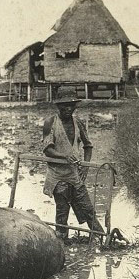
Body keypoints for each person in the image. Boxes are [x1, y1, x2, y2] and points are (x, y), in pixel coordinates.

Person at [42, 87, 105, 244]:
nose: (67, 109)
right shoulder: (50, 123)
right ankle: (62, 245)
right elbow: (48, 150)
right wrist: (64, 156)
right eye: (64, 105)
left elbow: (88, 146)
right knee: (62, 212)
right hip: (57, 176)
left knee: (88, 209)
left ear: (75, 106)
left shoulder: (78, 123)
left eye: (71, 105)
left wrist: (86, 166)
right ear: (58, 106)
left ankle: (102, 239)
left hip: (75, 174)